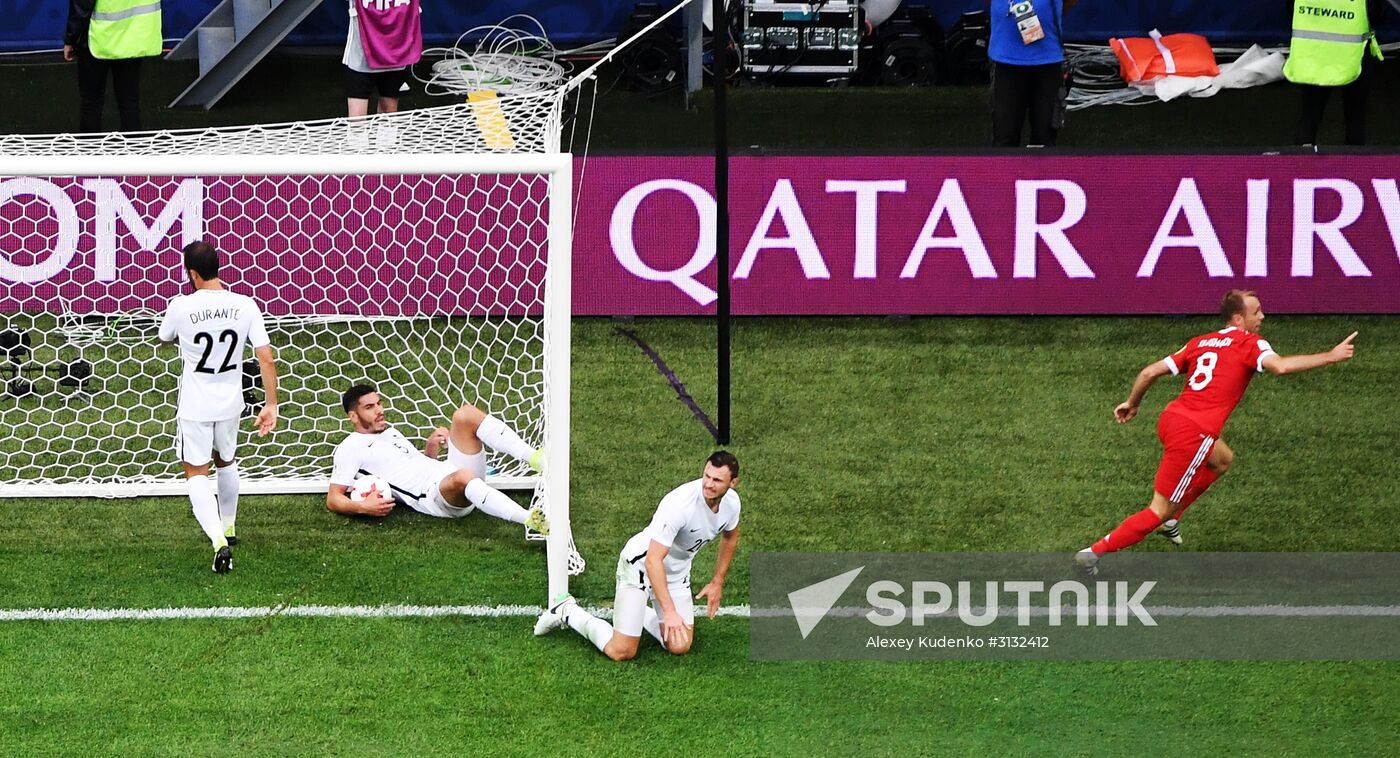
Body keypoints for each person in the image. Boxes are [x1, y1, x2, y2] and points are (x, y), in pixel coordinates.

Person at [1074, 290, 1356, 575]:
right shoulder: (1249, 343)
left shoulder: (1200, 342)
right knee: (1157, 510)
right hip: (1194, 433)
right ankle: (1094, 553)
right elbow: (1280, 367)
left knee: (1222, 459)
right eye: (1256, 312)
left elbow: (1149, 373)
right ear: (1239, 318)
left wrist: (1132, 404)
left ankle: (1173, 518)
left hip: (1172, 418)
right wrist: (1331, 356)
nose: (1262, 316)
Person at [534, 452, 742, 661]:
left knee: (680, 645)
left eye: (717, 480)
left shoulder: (732, 504)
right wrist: (669, 612)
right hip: (640, 567)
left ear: (733, 483)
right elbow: (653, 561)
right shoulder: (680, 504)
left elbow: (730, 537)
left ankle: (634, 609)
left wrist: (717, 581)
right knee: (622, 651)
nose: (708, 484)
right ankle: (566, 611)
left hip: (676, 574)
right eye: (706, 476)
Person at [159, 241, 280, 574]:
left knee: (196, 471)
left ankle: (218, 541)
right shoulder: (245, 304)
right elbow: (265, 357)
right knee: (226, 460)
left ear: (192, 273)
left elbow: (164, 336)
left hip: (196, 405)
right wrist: (271, 404)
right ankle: (229, 525)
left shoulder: (181, 305)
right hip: (231, 403)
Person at [328, 384, 548, 536]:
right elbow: (333, 498)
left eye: (379, 403)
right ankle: (532, 520)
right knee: (463, 477)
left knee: (465, 415)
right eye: (369, 407)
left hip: (446, 472)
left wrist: (431, 446)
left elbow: (414, 468)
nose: (379, 411)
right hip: (435, 498)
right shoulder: (350, 448)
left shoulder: (390, 432)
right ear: (353, 416)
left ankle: (535, 459)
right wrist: (362, 507)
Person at [1285, 0, 1387, 146]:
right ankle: (1354, 166)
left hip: (1313, 56)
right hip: (1354, 57)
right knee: (1355, 120)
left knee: (1309, 118)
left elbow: (1291, 11)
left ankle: (1303, 165)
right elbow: (1377, 15)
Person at [988, 0, 1076, 147]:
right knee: (1004, 137)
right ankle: (1006, 170)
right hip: (1006, 59)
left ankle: (1042, 170)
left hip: (1047, 59)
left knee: (1045, 136)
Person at [64, 0, 162, 133]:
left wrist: (71, 38)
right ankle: (132, 149)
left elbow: (82, 6)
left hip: (97, 39)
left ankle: (89, 151)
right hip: (132, 37)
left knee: (91, 103)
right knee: (129, 102)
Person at [342, 0, 422, 119]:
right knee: (356, 121)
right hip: (360, 58)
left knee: (388, 114)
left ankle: (386, 138)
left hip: (395, 55)